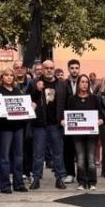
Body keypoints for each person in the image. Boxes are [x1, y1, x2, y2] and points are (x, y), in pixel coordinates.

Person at [28, 60, 70, 190]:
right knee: (38, 153)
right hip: (40, 124)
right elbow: (28, 100)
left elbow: (68, 103)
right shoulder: (34, 82)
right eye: (46, 68)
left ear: (54, 69)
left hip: (56, 124)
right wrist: (36, 90)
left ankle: (59, 178)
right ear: (42, 69)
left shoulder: (62, 84)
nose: (49, 70)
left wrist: (64, 119)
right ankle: (36, 178)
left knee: (58, 153)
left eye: (51, 68)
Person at [0, 69, 28, 194]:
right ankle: (5, 185)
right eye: (6, 75)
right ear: (1, 77)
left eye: (11, 75)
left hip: (18, 127)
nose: (9, 77)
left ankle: (19, 183)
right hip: (4, 128)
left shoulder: (17, 90)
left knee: (18, 157)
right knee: (4, 157)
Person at [66, 73, 103, 190]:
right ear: (78, 84)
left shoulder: (95, 98)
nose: (84, 84)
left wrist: (101, 120)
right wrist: (64, 121)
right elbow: (67, 114)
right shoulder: (72, 99)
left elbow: (101, 115)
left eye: (86, 82)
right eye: (82, 82)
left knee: (91, 159)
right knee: (80, 159)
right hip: (77, 134)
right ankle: (82, 182)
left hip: (91, 134)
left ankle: (92, 182)